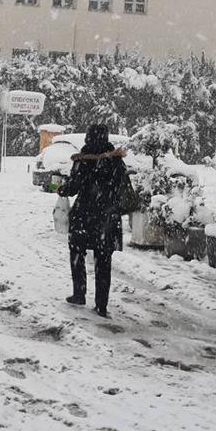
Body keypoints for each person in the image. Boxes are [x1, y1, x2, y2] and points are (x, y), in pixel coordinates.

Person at [57, 123, 130, 317]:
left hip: (85, 216)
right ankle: (101, 304)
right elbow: (123, 188)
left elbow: (73, 187)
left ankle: (79, 294)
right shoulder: (116, 161)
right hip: (108, 217)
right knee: (103, 261)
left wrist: (62, 189)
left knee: (77, 254)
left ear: (88, 138)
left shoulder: (84, 159)